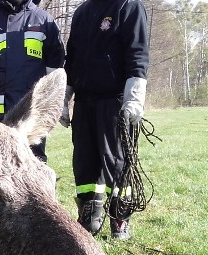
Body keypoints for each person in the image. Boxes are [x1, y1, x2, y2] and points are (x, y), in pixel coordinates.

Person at [60, 0, 150, 240]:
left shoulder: (129, 7)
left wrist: (134, 99)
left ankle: (120, 217)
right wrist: (64, 99)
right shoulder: (82, 12)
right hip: (84, 101)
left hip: (115, 101)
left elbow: (137, 54)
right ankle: (90, 215)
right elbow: (73, 59)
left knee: (118, 163)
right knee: (84, 161)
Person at [0, 0, 65, 162]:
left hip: (31, 112)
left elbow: (55, 68)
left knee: (32, 161)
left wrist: (43, 98)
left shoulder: (44, 21)